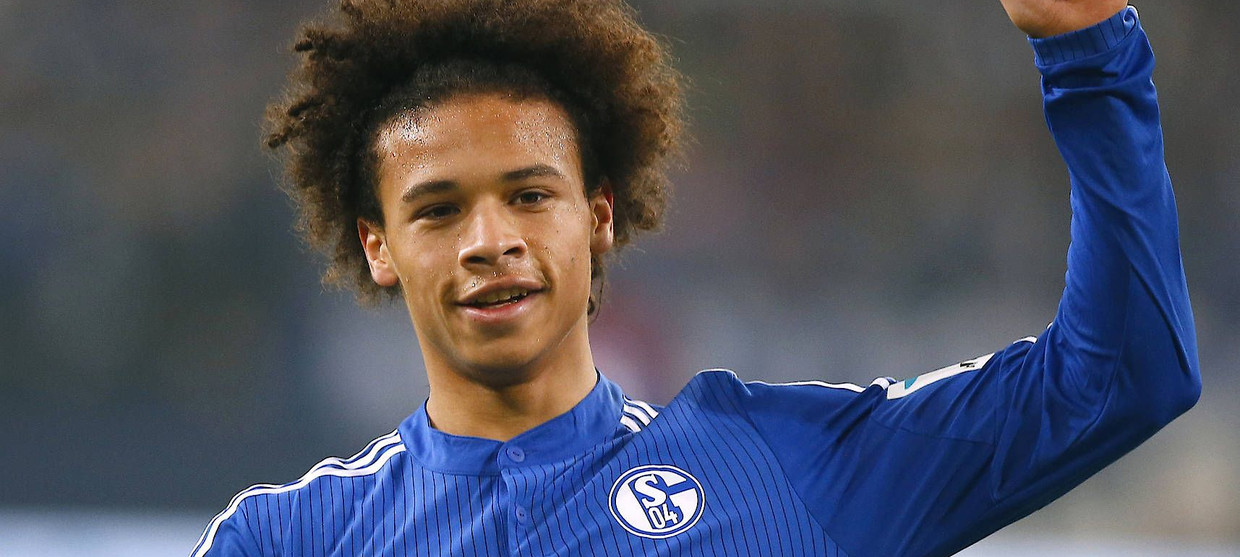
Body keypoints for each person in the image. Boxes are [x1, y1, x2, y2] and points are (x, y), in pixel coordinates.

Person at [192, 0, 1201, 555]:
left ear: (599, 216)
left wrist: (1088, 52)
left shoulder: (787, 465)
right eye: (438, 208)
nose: (490, 239)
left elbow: (1120, 376)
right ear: (377, 244)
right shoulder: (290, 540)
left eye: (530, 195)